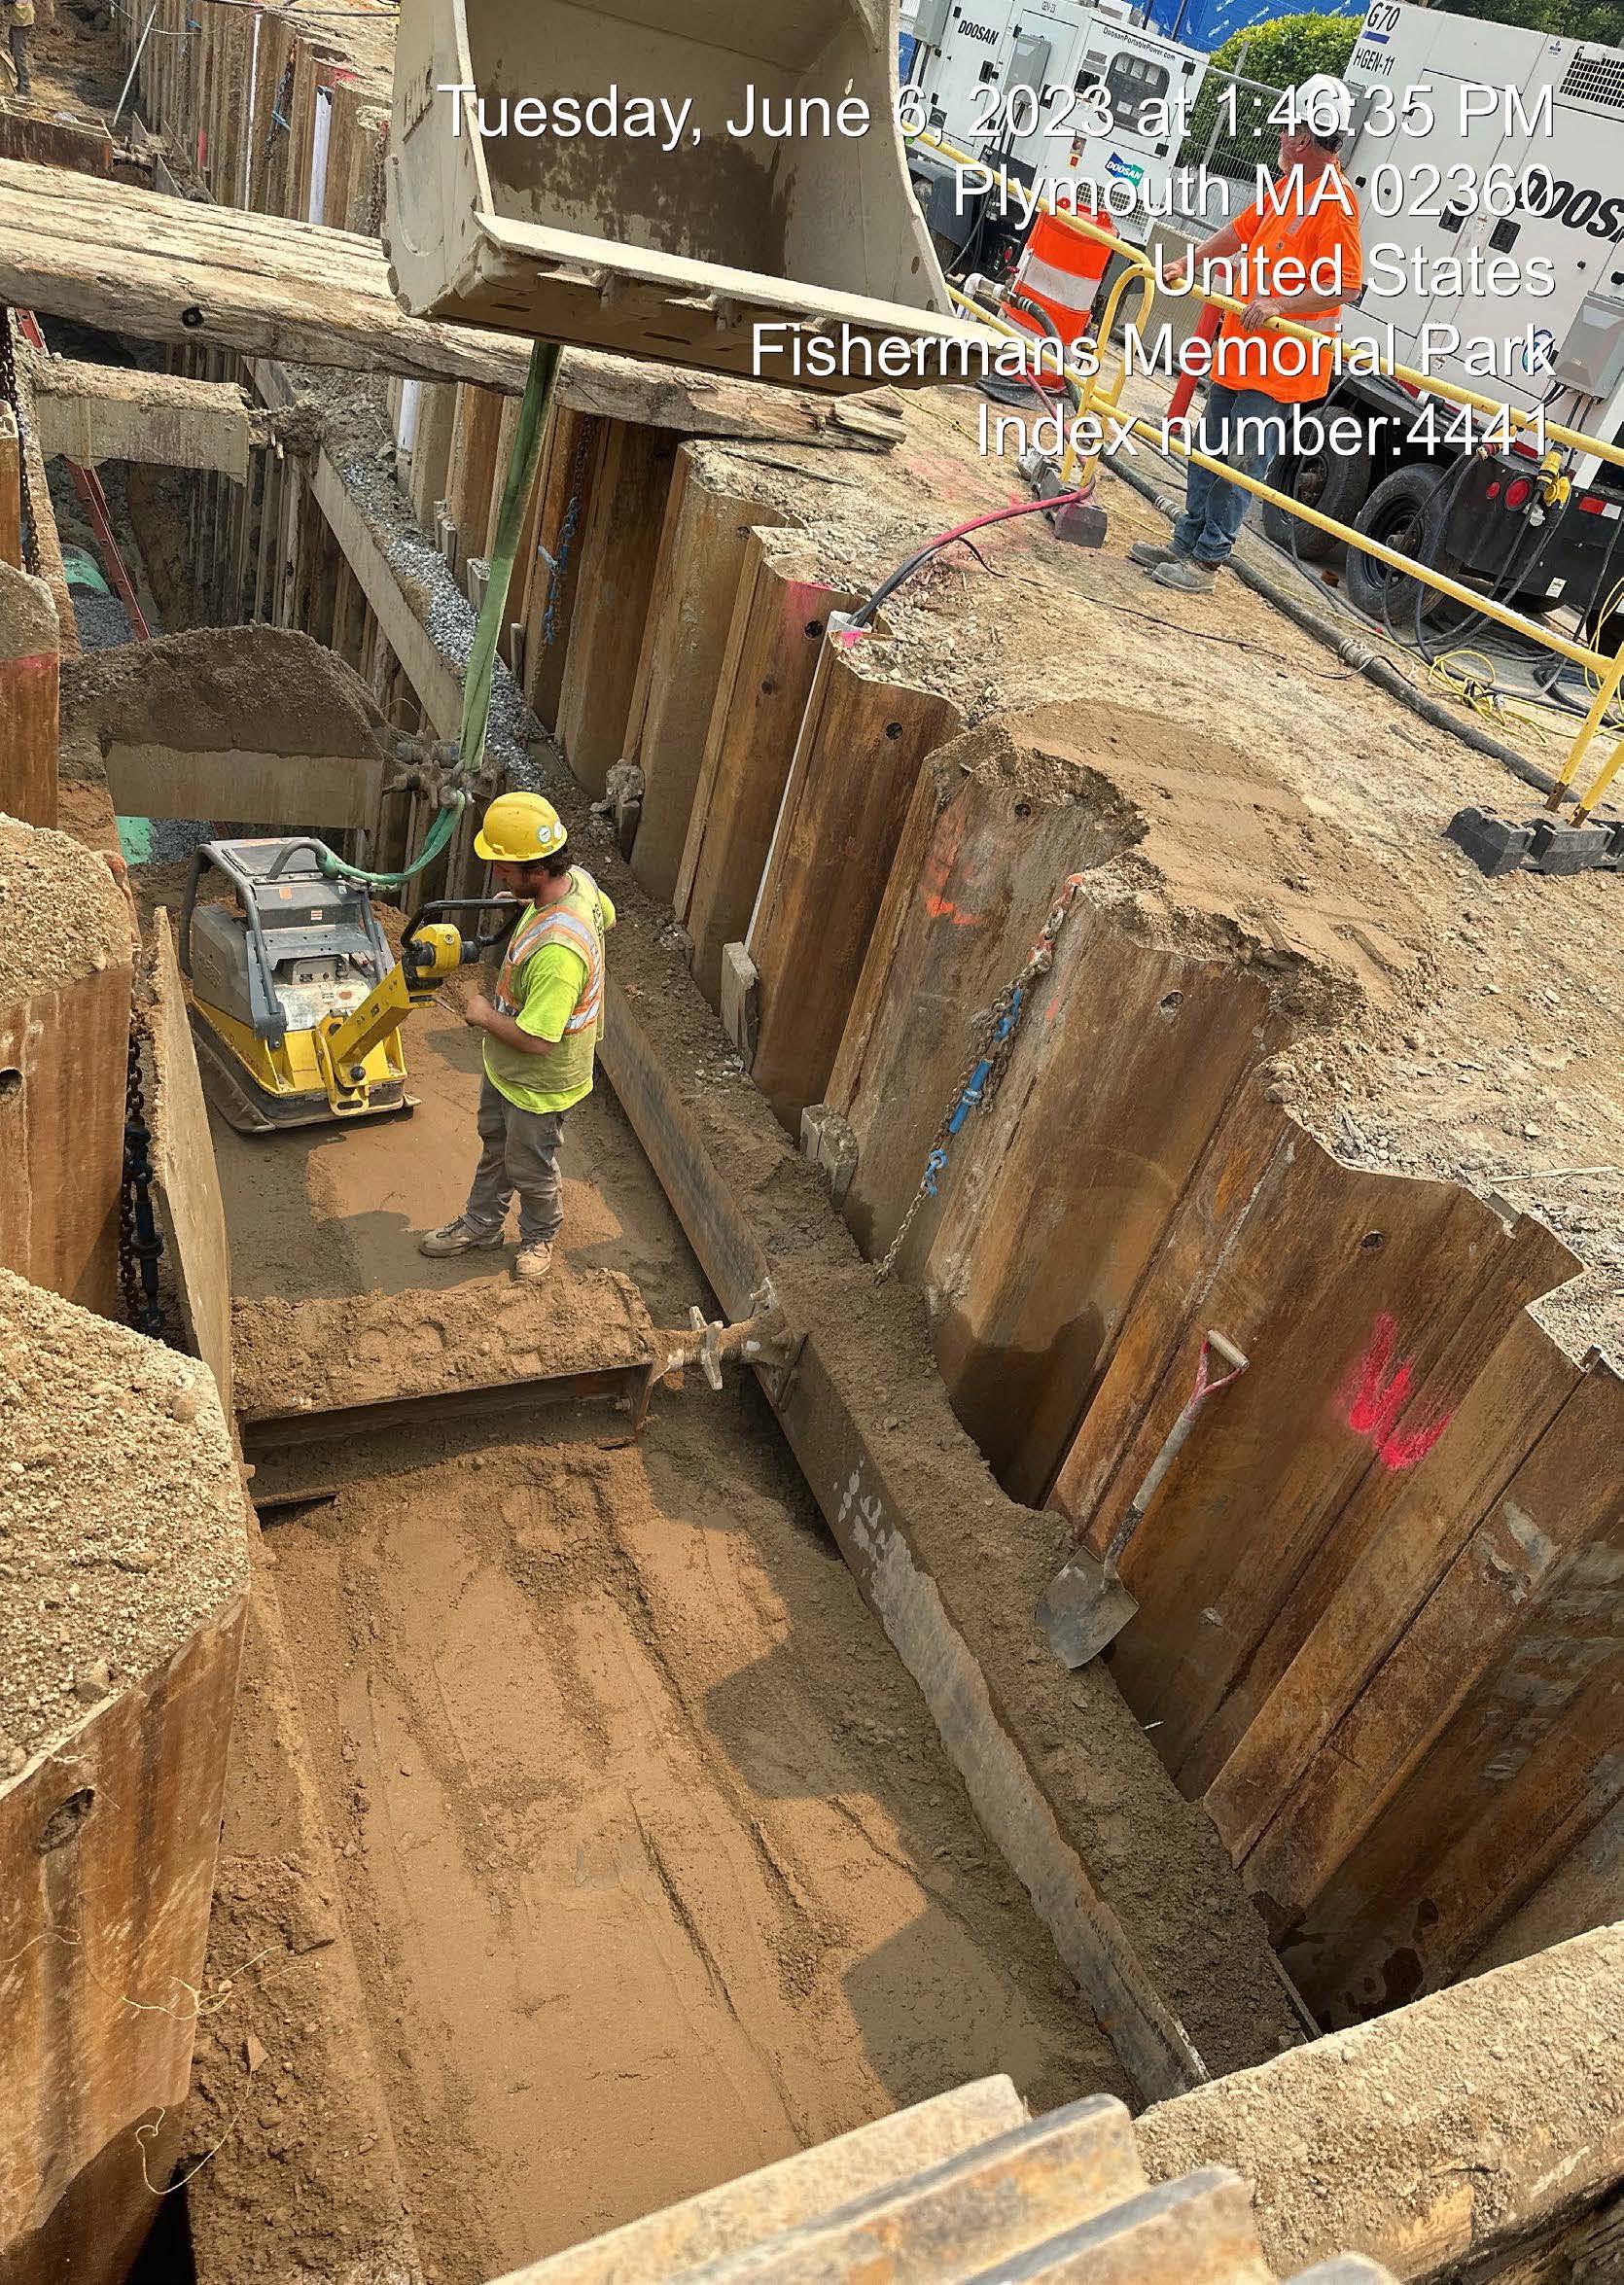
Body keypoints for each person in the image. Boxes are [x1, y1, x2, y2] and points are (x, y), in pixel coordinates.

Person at [1131, 74, 1364, 596]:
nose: (1279, 138)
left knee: (1239, 461)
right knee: (1208, 448)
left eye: (1285, 129)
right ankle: (1185, 542)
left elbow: (1345, 286)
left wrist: (1279, 304)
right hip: (1242, 353)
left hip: (1280, 368)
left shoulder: (1336, 204)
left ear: (1303, 137)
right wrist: (1188, 261)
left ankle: (1207, 560)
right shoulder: (1288, 190)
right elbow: (1239, 232)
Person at [418, 791, 615, 1282]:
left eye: (506, 870)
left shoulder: (557, 956)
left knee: (530, 1165)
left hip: (540, 1078)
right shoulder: (579, 884)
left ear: (537, 870)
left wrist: (483, 1015)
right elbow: (604, 915)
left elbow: (539, 1040)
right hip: (508, 1069)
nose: (497, 876)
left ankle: (539, 1236)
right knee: (496, 1144)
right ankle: (482, 1224)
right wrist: (526, 907)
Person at [3, 0, 34, 96]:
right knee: (14, 50)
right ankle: (21, 84)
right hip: (19, 19)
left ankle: (25, 88)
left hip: (22, 20)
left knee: (19, 53)